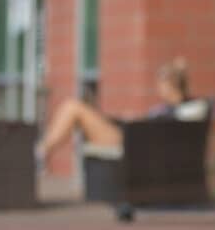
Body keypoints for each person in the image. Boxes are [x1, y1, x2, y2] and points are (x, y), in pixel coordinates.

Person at [35, 58, 200, 162]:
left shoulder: (177, 111)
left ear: (169, 85)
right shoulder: (176, 110)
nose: (158, 88)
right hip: (131, 138)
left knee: (73, 108)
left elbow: (154, 135)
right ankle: (41, 150)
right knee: (74, 109)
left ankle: (40, 152)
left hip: (129, 143)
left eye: (161, 83)